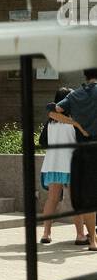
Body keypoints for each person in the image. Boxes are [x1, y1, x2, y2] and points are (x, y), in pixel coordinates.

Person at [50, 70, 97, 250]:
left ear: (85, 75)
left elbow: (52, 111)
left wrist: (76, 124)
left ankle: (92, 240)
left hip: (84, 150)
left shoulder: (75, 94)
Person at [39, 87, 88, 246]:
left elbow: (42, 142)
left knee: (52, 199)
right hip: (71, 164)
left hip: (53, 163)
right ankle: (80, 235)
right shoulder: (75, 120)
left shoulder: (50, 121)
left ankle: (46, 233)